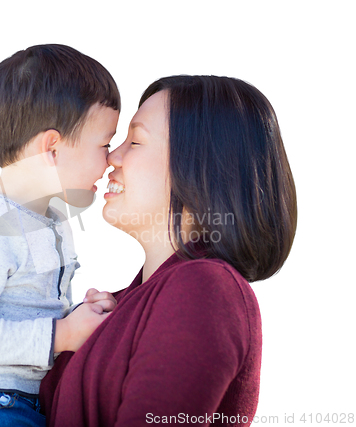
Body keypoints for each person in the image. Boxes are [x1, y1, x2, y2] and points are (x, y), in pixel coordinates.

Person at [40, 75, 297, 426]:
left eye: (136, 141)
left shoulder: (206, 289)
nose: (112, 156)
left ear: (203, 166)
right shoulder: (114, 306)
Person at [0, 44, 120, 427]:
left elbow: (28, 312)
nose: (111, 159)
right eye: (105, 144)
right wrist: (61, 334)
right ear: (52, 147)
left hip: (18, 401)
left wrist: (77, 316)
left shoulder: (52, 221)